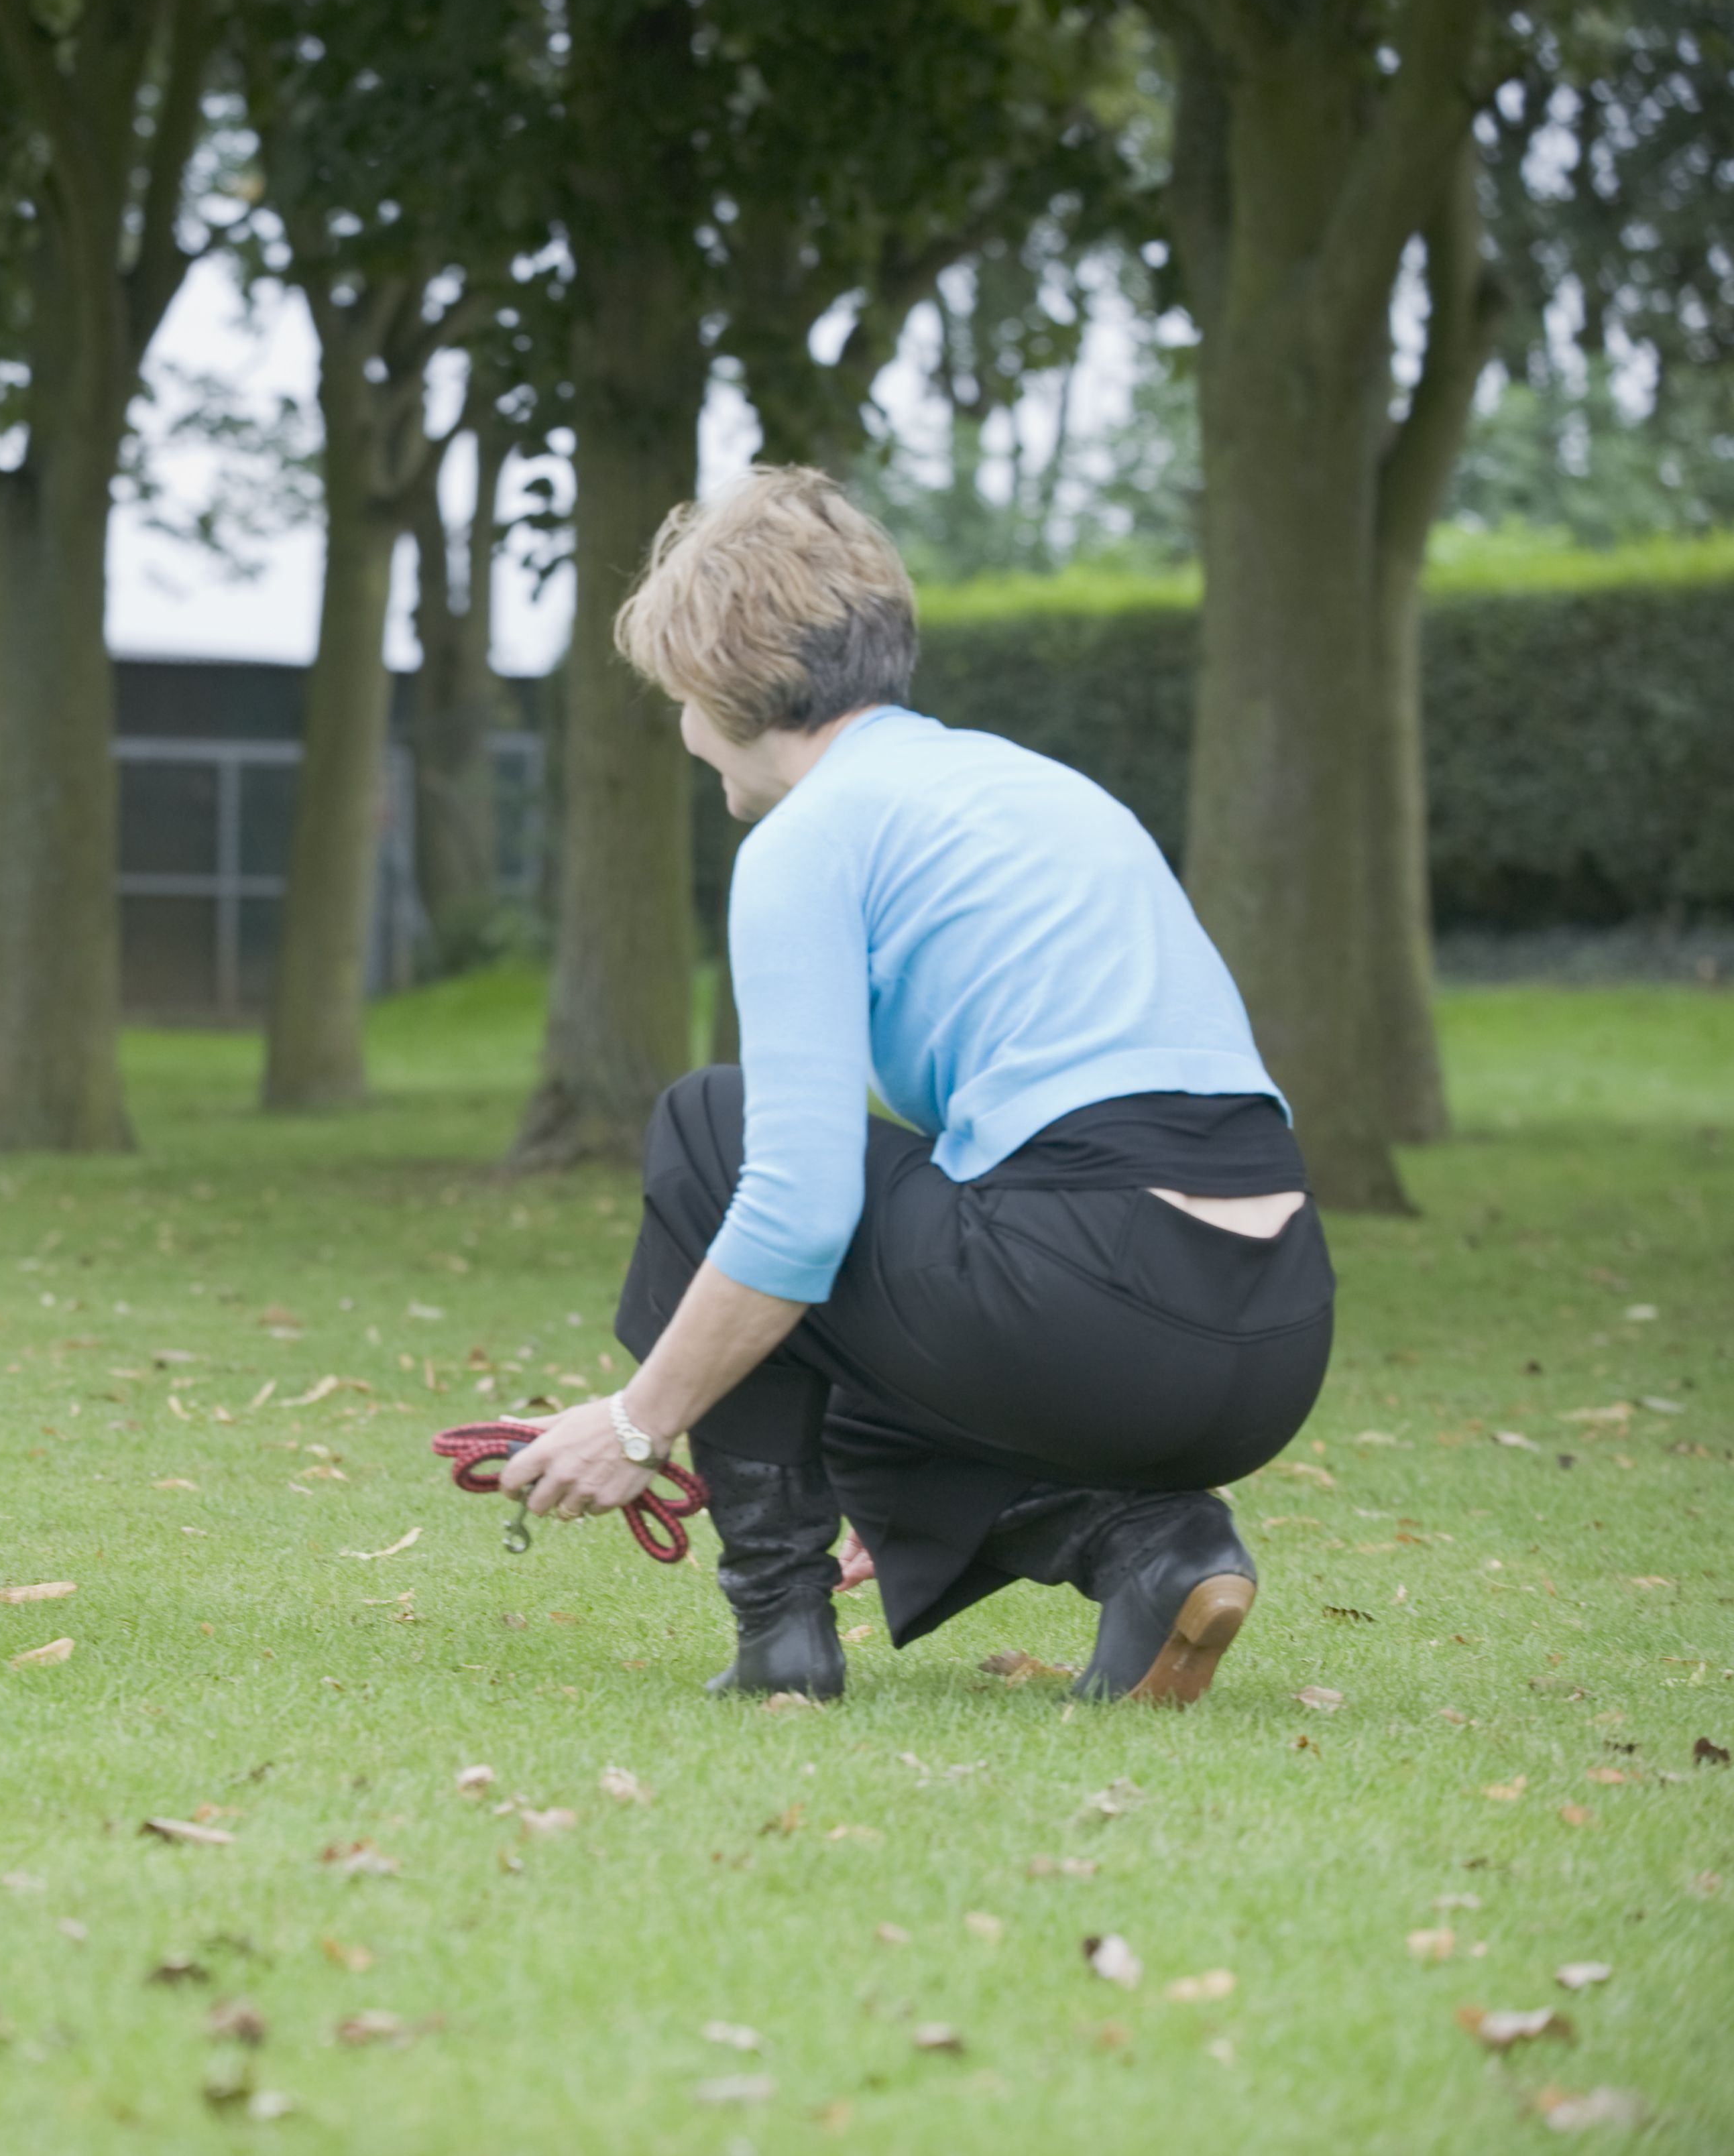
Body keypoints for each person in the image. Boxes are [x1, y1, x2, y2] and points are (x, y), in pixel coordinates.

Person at [498, 467, 1334, 1706]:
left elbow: (791, 1213)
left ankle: (780, 1631)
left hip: (1100, 1302)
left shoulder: (807, 841)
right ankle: (1153, 1547)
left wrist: (638, 1420)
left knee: (709, 1129)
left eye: (674, 695)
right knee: (843, 1317)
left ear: (720, 682)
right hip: (1275, 1335)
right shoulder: (1035, 788)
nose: (676, 726)